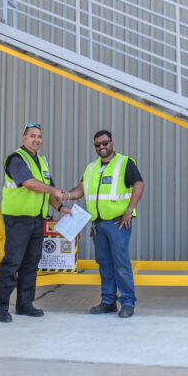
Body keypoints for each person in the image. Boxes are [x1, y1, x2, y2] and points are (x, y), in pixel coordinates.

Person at [65, 130, 144, 318]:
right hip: (98, 226)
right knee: (104, 264)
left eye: (105, 143)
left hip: (118, 224)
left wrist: (129, 210)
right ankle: (108, 301)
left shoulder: (125, 162)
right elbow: (80, 190)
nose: (101, 147)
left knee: (121, 263)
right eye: (97, 145)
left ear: (112, 143)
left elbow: (139, 184)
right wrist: (66, 195)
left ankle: (127, 302)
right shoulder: (91, 168)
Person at [0, 123, 67, 322]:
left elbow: (47, 189)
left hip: (37, 220)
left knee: (30, 264)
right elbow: (29, 183)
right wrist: (54, 191)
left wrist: (61, 208)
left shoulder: (41, 161)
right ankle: (1, 307)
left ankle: (24, 304)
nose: (37, 139)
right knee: (12, 263)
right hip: (18, 220)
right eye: (33, 136)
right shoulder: (16, 159)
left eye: (40, 136)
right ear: (24, 138)